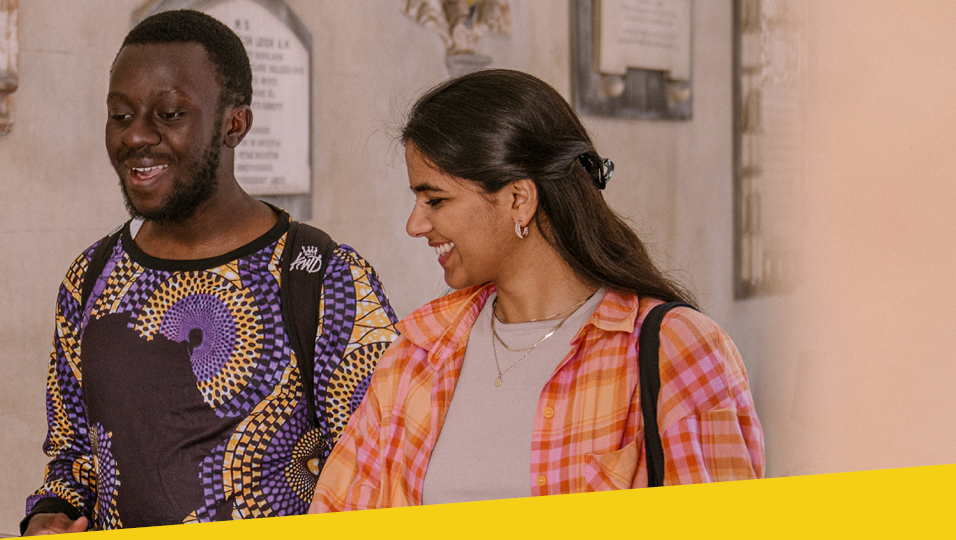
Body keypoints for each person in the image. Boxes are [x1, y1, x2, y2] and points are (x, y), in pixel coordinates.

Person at [312, 69, 763, 511]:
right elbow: (338, 513)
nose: (416, 225)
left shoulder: (677, 352)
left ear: (518, 199)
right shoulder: (417, 352)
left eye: (436, 200)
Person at [21, 10, 399, 534]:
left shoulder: (322, 278)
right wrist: (51, 514)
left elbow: (378, 477)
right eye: (121, 115)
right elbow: (72, 458)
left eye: (170, 114)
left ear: (234, 124)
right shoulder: (91, 277)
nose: (136, 137)